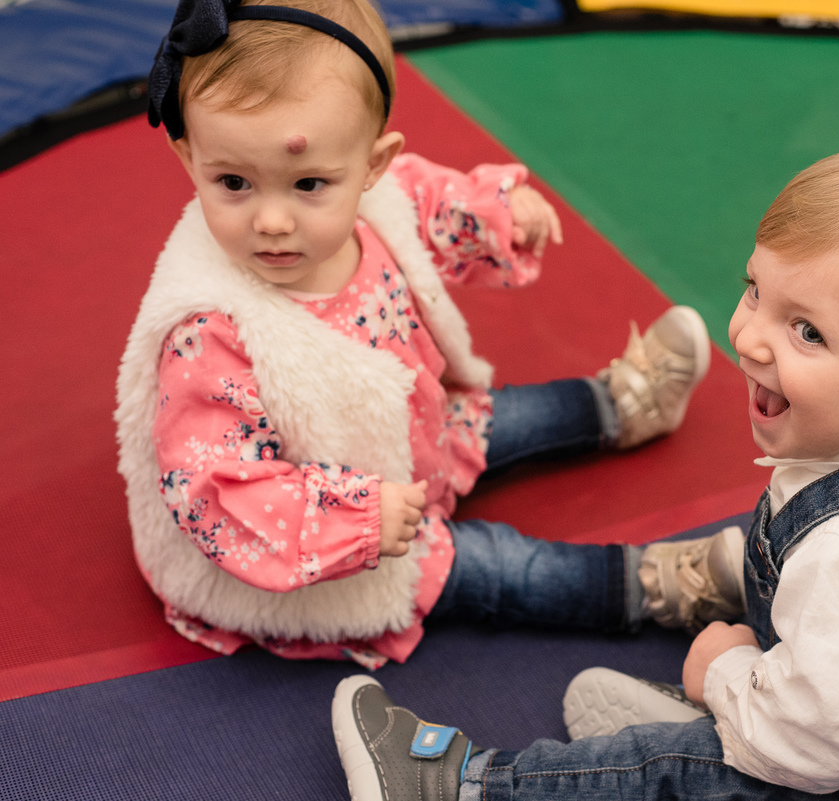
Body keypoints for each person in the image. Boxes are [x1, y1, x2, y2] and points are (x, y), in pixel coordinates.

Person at [329, 129, 839, 800]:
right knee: (805, 632)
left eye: (808, 330)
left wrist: (725, 671)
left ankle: (459, 785)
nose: (747, 332)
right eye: (756, 287)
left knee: (702, 768)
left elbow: (807, 754)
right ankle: (762, 691)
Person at [115, 0, 747, 670]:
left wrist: (500, 212)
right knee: (500, 566)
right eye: (233, 182)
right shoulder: (210, 331)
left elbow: (432, 201)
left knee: (515, 415)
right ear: (190, 157)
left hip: (426, 432)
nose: (271, 219)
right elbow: (218, 490)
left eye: (308, 184)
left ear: (372, 166)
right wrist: (357, 521)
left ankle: (620, 402)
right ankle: (656, 584)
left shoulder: (378, 197)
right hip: (341, 540)